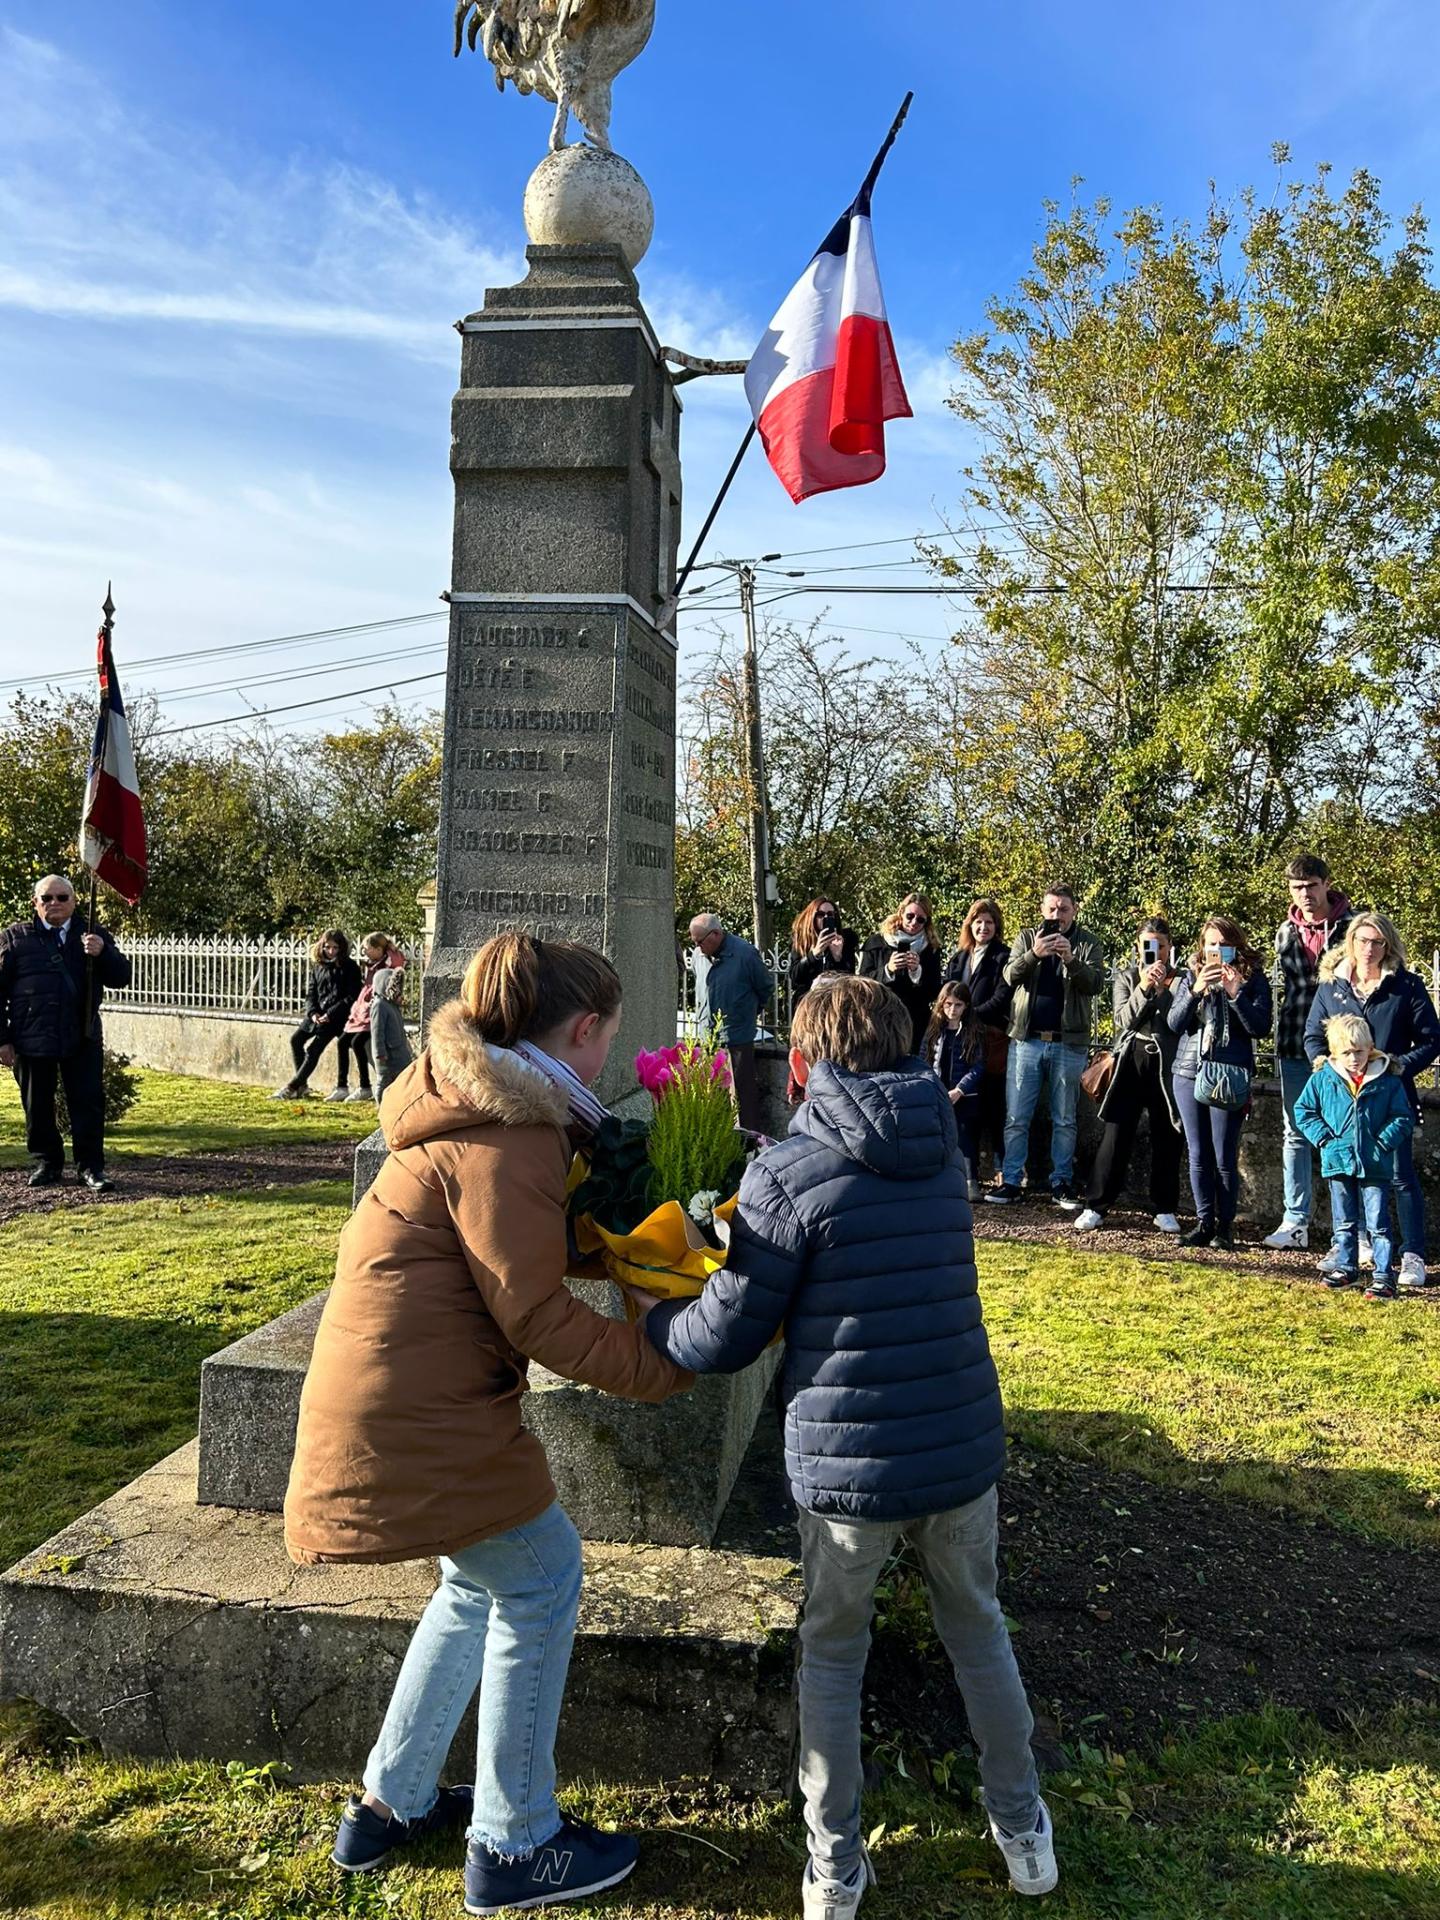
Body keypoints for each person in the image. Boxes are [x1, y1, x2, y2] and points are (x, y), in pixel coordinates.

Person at [284, 932, 691, 1912]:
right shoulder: (513, 1130)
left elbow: (521, 1256)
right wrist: (656, 1364)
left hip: (402, 1391)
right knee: (543, 1573)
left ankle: (389, 1801)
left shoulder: (484, 1104)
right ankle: (515, 1845)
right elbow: (533, 1310)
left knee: (480, 1586)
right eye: (609, 1041)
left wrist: (639, 1241)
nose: (608, 1062)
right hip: (419, 1406)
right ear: (584, 1031)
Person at [641, 974, 1058, 1911]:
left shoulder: (787, 1174)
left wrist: (652, 1320)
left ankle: (834, 1861)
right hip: (955, 1444)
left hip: (845, 1465)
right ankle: (1024, 1824)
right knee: (978, 1632)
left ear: (802, 1063)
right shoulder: (944, 1153)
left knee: (833, 1653)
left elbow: (728, 1334)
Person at [1305, 911, 1440, 1290]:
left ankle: (1412, 1254)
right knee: (1347, 1175)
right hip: (1344, 1098)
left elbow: (1431, 1038)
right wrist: (1325, 1067)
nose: (1369, 949)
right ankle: (1353, 1248)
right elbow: (1313, 1034)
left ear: (1388, 945)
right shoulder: (1331, 986)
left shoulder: (1406, 987)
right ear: (1350, 942)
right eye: (1362, 940)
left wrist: (1399, 1066)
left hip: (1389, 1094)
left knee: (1399, 1177)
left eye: (1377, 942)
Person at [0, 874, 132, 1193]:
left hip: (81, 1036)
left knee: (87, 1103)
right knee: (38, 1105)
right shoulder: (15, 938)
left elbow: (121, 977)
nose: (54, 904)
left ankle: (90, 1168)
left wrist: (103, 953)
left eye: (62, 897)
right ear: (35, 903)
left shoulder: (92, 934)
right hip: (31, 1037)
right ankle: (48, 1163)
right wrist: (2, 1039)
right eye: (47, 898)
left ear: (74, 902)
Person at [987, 885, 1105, 1209]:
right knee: (1016, 1116)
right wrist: (1035, 954)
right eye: (1052, 909)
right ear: (1043, 910)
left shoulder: (1088, 943)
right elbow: (1009, 975)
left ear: (1075, 910)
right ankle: (1011, 1181)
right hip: (1027, 1040)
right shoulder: (1027, 938)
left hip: (1068, 1043)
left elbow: (1095, 984)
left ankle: (1061, 1183)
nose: (1057, 916)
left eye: (1064, 909)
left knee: (1065, 1118)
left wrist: (1070, 959)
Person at [1263, 855, 1353, 1251]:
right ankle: (1295, 1220)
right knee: (1295, 1132)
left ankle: (1351, 1229)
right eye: (1297, 887)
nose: (1305, 894)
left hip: (1342, 1048)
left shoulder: (1353, 927)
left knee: (1343, 1132)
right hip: (1293, 1041)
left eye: (1311, 886)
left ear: (1326, 884)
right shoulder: (1285, 931)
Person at [1168, 916, 1273, 1250]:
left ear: (1236, 946)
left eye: (1224, 944)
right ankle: (1203, 1223)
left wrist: (1235, 993)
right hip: (1188, 1071)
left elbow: (1259, 1028)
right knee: (1197, 1152)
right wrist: (1197, 990)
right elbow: (1174, 1023)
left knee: (1224, 1153)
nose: (1217, 950)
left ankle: (1225, 1228)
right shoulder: (1189, 976)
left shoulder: (1253, 980)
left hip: (1228, 1074)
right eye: (1211, 944)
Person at [1073, 917, 1183, 1235]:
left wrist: (1163, 989)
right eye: (1148, 945)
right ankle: (1096, 1205)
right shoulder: (1127, 977)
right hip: (1131, 1059)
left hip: (1167, 1062)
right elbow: (1124, 1018)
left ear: (1169, 948)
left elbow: (1178, 1022)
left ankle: (1165, 1207)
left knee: (1168, 1135)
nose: (1155, 952)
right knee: (1116, 1133)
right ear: (1139, 947)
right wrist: (1145, 987)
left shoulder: (1182, 979)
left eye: (1160, 946)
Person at [1294, 1013, 1414, 1301]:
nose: (1354, 1058)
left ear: (1370, 1048)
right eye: (1346, 1052)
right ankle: (1347, 1267)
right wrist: (1325, 1139)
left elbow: (1402, 1116)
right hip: (1338, 1160)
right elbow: (1304, 1111)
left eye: (1359, 1051)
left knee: (1378, 1223)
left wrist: (1382, 1143)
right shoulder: (1323, 1080)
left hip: (1375, 1163)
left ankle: (1384, 1276)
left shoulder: (1386, 1081)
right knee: (1344, 1221)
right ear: (1334, 1052)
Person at [942, 898, 1012, 1180]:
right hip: (959, 1039)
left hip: (990, 1037)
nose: (983, 927)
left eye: (989, 922)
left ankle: (1001, 1166)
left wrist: (971, 1017)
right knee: (964, 1101)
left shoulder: (1003, 956)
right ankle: (963, 1169)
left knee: (995, 1103)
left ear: (997, 926)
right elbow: (946, 993)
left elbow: (1002, 996)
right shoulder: (959, 957)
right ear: (969, 924)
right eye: (978, 921)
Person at [688, 912, 773, 1133]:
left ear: (716, 934)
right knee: (712, 1100)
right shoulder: (699, 956)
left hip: (737, 1040)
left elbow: (765, 988)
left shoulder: (745, 954)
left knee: (742, 1100)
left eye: (700, 941)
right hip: (708, 1039)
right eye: (694, 942)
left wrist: (746, 1014)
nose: (697, 947)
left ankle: (750, 1147)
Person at [274, 930, 363, 1100]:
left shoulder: (350, 967)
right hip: (316, 1015)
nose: (331, 951)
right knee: (296, 1040)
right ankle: (303, 1086)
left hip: (336, 1018)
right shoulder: (319, 967)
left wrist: (330, 1014)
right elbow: (311, 993)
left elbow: (351, 996)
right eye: (327, 947)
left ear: (341, 948)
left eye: (335, 948)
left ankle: (292, 1086)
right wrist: (313, 1012)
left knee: (313, 1050)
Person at [788, 898, 860, 1103]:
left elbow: (851, 978)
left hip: (835, 1010)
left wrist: (838, 956)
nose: (827, 918)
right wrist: (815, 954)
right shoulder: (802, 940)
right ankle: (802, 1092)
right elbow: (795, 977)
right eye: (821, 914)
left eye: (831, 914)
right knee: (807, 1051)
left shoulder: (846, 939)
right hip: (808, 1010)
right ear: (812, 917)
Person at [857, 892, 942, 1054]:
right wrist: (888, 970)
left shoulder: (931, 948)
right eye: (910, 916)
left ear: (927, 922)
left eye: (920, 919)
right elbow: (861, 982)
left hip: (914, 1023)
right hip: (879, 1020)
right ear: (901, 913)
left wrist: (917, 973)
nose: (913, 922)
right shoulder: (876, 942)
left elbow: (934, 991)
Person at [924, 979, 986, 1200]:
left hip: (965, 1096)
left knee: (966, 1137)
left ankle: (970, 1182)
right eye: (948, 1004)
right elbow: (925, 1060)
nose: (952, 1009)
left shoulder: (973, 1031)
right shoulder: (934, 1030)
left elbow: (978, 1066)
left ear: (966, 1006)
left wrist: (960, 1090)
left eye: (958, 1005)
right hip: (938, 1093)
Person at [336, 933, 409, 1105]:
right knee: (348, 1042)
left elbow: (383, 1031)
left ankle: (367, 1089)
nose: (364, 952)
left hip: (396, 1050)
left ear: (377, 948)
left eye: (367, 948)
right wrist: (380, 1054)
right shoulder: (380, 1002)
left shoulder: (386, 970)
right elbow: (378, 1036)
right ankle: (372, 1097)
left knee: (357, 1043)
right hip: (386, 1050)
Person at [369, 966, 414, 1103]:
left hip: (400, 1054)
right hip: (387, 1056)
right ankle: (382, 1108)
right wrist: (380, 1054)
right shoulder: (379, 1005)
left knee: (401, 1081)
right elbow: (377, 1032)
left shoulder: (392, 1005)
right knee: (384, 1082)